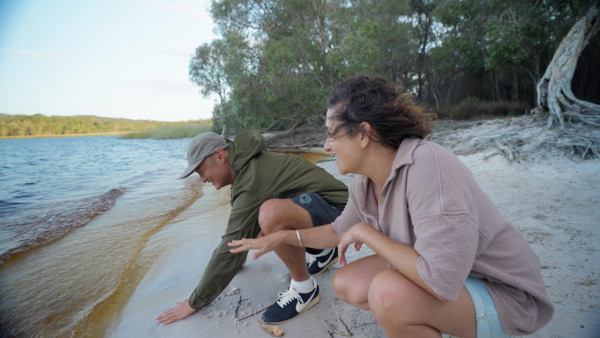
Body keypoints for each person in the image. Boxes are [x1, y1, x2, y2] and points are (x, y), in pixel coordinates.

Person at [229, 75, 554, 337]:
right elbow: (335, 232)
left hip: (504, 295)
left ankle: (417, 314)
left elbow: (440, 280)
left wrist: (365, 233)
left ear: (363, 134)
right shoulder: (365, 185)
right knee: (348, 283)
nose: (326, 145)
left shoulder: (428, 166)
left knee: (386, 294)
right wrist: (282, 238)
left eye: (332, 134)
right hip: (456, 275)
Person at [156, 130, 348, 325]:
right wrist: (236, 260)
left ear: (220, 156)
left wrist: (194, 302)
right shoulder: (248, 165)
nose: (202, 179)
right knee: (257, 224)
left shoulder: (250, 180)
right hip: (329, 210)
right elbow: (242, 232)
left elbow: (229, 246)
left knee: (269, 215)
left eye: (201, 171)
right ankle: (325, 252)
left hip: (343, 217)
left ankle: (304, 289)